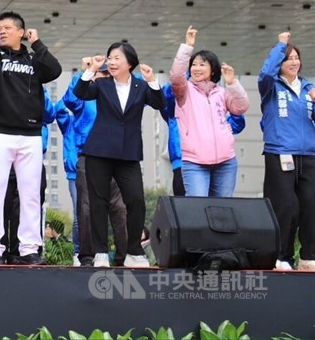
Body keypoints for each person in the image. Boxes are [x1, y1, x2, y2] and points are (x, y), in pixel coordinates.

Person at [0, 0, 62, 266]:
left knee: (30, 195)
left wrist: (37, 44)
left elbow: (55, 70)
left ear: (22, 32)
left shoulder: (34, 60)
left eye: (8, 28)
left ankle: (29, 248)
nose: (2, 32)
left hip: (31, 136)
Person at [73, 43, 165, 268]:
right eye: (110, 58)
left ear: (129, 63)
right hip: (99, 151)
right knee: (98, 202)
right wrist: (91, 70)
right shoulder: (102, 84)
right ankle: (100, 253)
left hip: (128, 154)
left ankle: (134, 250)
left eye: (116, 58)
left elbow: (159, 103)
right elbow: (81, 93)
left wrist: (152, 80)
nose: (111, 62)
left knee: (136, 201)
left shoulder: (141, 87)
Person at [0, 87, 53, 264]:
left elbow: (50, 114)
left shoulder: (39, 93)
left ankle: (25, 251)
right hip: (4, 162)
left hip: (31, 159)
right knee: (1, 205)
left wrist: (39, 92)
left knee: (28, 205)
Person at [258, 31, 315, 271]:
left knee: (310, 206)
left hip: (309, 155)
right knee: (285, 206)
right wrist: (280, 45)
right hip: (280, 151)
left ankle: (308, 256)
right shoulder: (270, 86)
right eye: (288, 58)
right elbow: (264, 73)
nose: (293, 62)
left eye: (296, 58)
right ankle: (281, 256)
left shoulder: (309, 89)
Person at [170, 26, 250, 197]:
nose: (196, 68)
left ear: (212, 69)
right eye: (194, 65)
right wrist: (187, 46)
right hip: (195, 162)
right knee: (199, 212)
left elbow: (241, 107)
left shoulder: (221, 92)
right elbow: (177, 76)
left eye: (202, 64)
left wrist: (232, 84)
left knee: (223, 211)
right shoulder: (184, 91)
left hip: (226, 161)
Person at [63, 62, 128, 267]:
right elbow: (69, 99)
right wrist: (86, 71)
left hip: (117, 157)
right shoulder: (86, 96)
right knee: (87, 208)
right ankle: (88, 256)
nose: (106, 76)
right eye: (103, 72)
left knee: (120, 208)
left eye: (110, 73)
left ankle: (123, 256)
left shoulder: (120, 96)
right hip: (89, 157)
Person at [54, 100, 80, 264]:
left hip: (96, 169)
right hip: (74, 172)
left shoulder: (92, 117)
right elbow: (58, 108)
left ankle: (97, 250)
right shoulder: (68, 121)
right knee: (79, 214)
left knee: (96, 213)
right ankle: (78, 252)